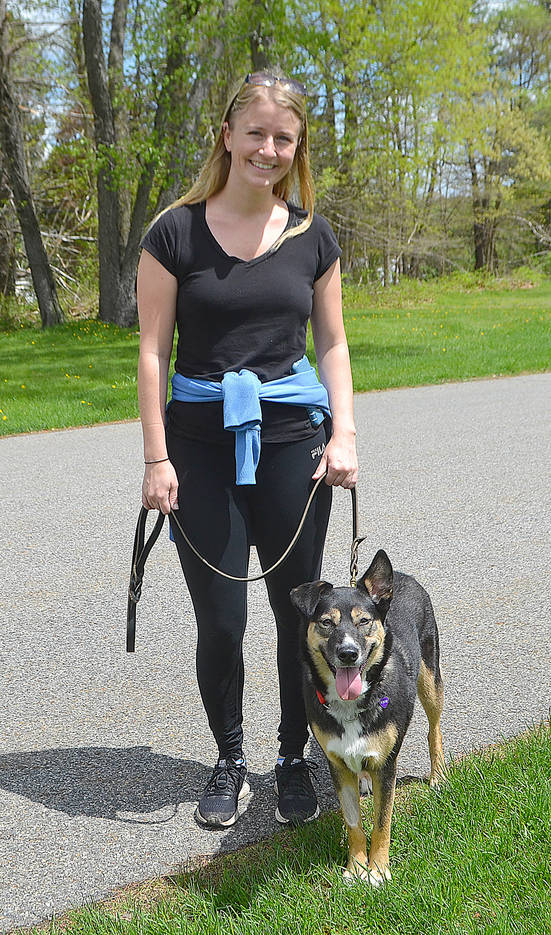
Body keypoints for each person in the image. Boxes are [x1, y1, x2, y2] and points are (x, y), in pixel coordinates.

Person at [136, 71, 358, 829]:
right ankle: (228, 757)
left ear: (296, 149)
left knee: (301, 618)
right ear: (226, 134)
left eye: (283, 138)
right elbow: (150, 350)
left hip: (296, 445)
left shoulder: (312, 236)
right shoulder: (174, 232)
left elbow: (331, 342)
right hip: (198, 445)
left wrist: (346, 432)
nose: (268, 149)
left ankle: (292, 756)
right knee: (221, 620)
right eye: (255, 132)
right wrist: (155, 458)